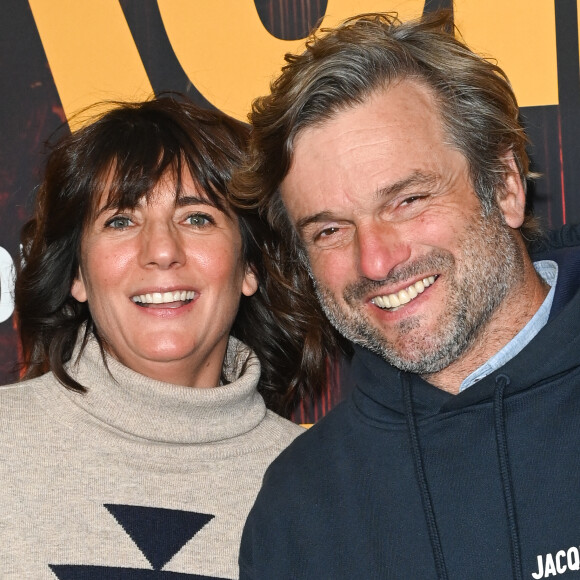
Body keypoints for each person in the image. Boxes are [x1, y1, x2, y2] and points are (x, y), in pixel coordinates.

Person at [234, 11, 580, 580]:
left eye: (408, 201)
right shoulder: (299, 508)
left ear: (506, 187)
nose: (376, 260)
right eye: (330, 230)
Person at [0, 96, 304, 579]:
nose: (162, 251)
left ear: (250, 266)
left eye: (197, 217)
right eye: (121, 220)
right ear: (77, 273)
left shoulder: (326, 482)